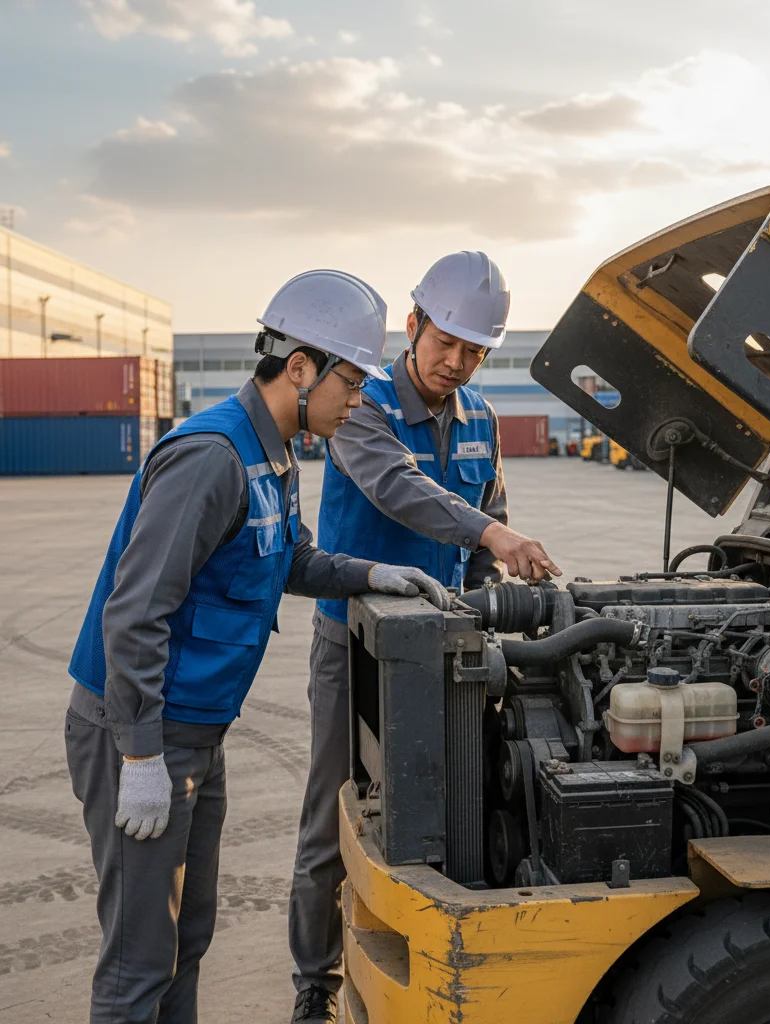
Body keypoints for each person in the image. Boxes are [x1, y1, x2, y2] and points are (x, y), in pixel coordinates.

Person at [65, 269, 451, 1024]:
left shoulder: (277, 452)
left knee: (188, 934)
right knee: (140, 958)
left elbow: (292, 558)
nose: (360, 399)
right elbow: (134, 613)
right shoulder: (211, 456)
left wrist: (376, 572)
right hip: (139, 733)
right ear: (300, 368)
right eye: (351, 380)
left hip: (193, 734)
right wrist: (140, 756)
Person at [288, 251, 561, 1023]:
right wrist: (495, 531)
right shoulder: (358, 402)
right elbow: (397, 488)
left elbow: (482, 529)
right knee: (330, 819)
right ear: (412, 326)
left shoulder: (481, 418)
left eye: (475, 350)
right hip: (357, 649)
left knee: (451, 811)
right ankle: (316, 982)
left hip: (448, 655)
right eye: (445, 341)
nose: (456, 362)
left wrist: (494, 591)